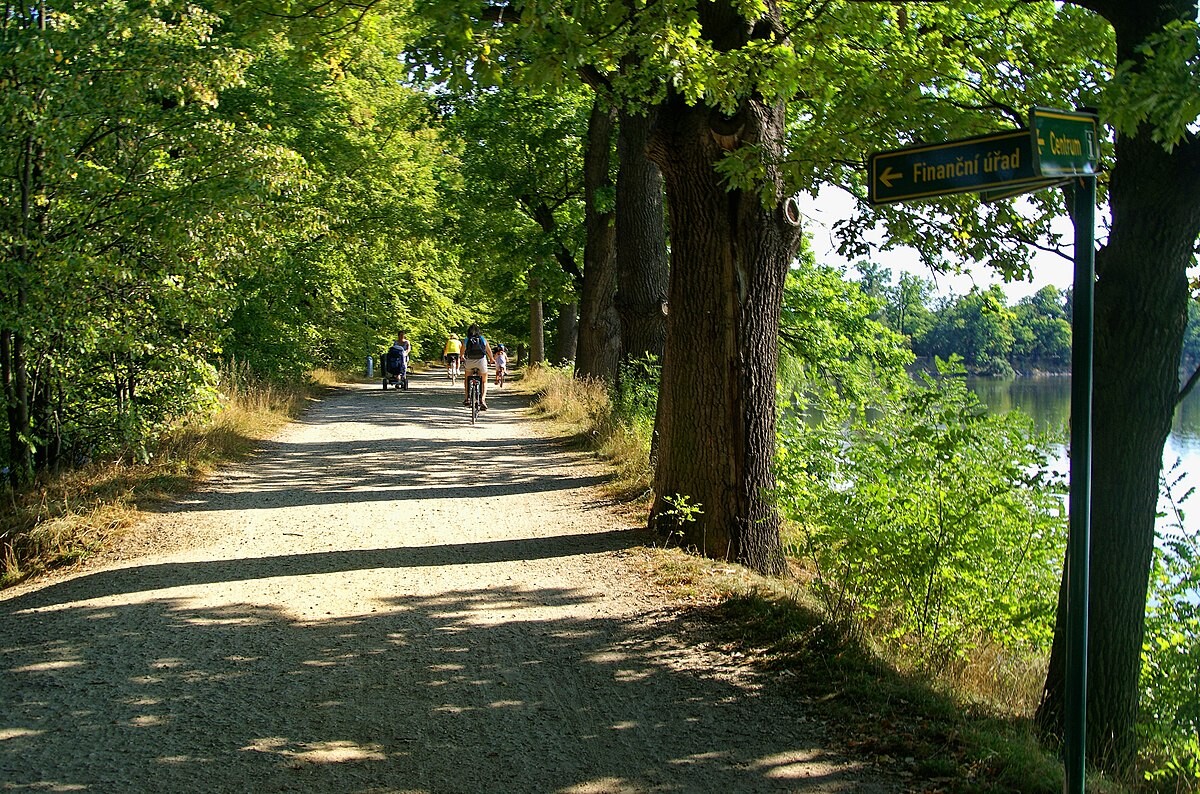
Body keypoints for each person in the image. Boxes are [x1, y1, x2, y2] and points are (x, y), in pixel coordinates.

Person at [460, 323, 495, 410]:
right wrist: (491, 359)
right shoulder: (483, 339)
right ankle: (483, 400)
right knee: (484, 381)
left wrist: (462, 357)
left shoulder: (467, 339)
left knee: (467, 379)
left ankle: (467, 398)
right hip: (481, 361)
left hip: (470, 361)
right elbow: (489, 351)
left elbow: (462, 352)